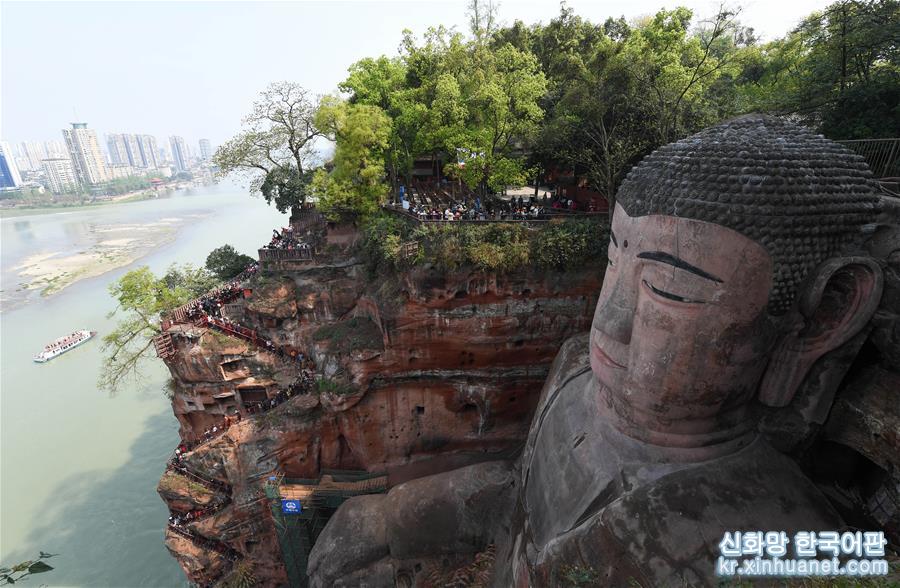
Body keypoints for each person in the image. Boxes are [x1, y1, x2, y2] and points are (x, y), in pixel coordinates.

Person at [308, 116, 885, 588]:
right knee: (352, 536)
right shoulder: (574, 369)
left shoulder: (785, 552)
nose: (607, 321)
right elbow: (514, 491)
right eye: (614, 265)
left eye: (668, 290)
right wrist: (394, 518)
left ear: (823, 317)